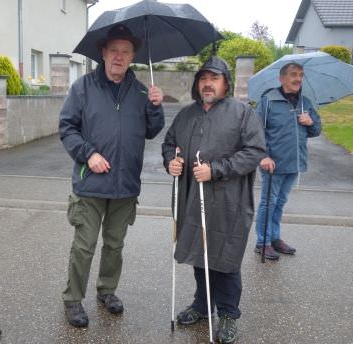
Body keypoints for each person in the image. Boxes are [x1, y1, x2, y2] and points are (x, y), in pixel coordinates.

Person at [59, 24, 164, 328]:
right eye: (114, 50)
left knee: (115, 245)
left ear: (133, 57)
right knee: (84, 244)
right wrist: (88, 154)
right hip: (90, 183)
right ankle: (73, 299)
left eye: (125, 51)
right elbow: (67, 127)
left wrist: (156, 107)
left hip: (125, 185)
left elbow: (151, 130)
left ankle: (107, 290)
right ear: (103, 53)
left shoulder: (143, 91)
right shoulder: (83, 88)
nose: (119, 56)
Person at [162, 56, 265, 343]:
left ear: (226, 83)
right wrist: (172, 160)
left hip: (229, 202)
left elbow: (254, 151)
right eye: (203, 78)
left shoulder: (242, 114)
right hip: (192, 199)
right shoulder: (185, 114)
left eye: (214, 78)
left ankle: (229, 314)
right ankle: (203, 306)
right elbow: (170, 144)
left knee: (226, 258)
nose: (208, 83)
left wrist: (216, 170)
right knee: (200, 253)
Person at [254, 62, 321, 260]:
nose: (298, 78)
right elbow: (257, 132)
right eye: (293, 74)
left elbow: (316, 130)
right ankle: (262, 242)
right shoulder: (268, 101)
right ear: (282, 78)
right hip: (273, 163)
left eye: (301, 74)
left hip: (295, 162)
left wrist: (311, 122)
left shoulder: (305, 102)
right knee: (269, 202)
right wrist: (263, 156)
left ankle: (274, 238)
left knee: (280, 202)